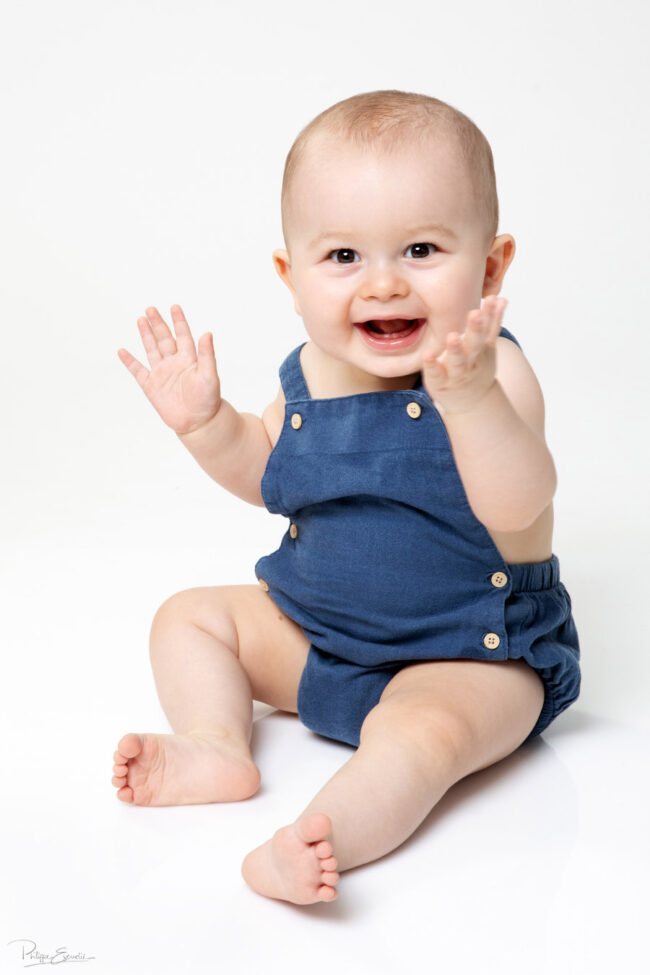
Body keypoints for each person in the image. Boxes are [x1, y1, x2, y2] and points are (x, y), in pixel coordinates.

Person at [112, 89, 580, 905]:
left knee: (422, 736)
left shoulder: (495, 376)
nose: (384, 283)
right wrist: (206, 426)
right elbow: (267, 474)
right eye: (344, 258)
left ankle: (322, 835)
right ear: (293, 279)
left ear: (492, 266)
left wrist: (467, 401)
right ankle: (217, 742)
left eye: (423, 249)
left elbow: (518, 501)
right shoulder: (308, 378)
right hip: (317, 637)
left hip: (469, 655)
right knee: (187, 616)